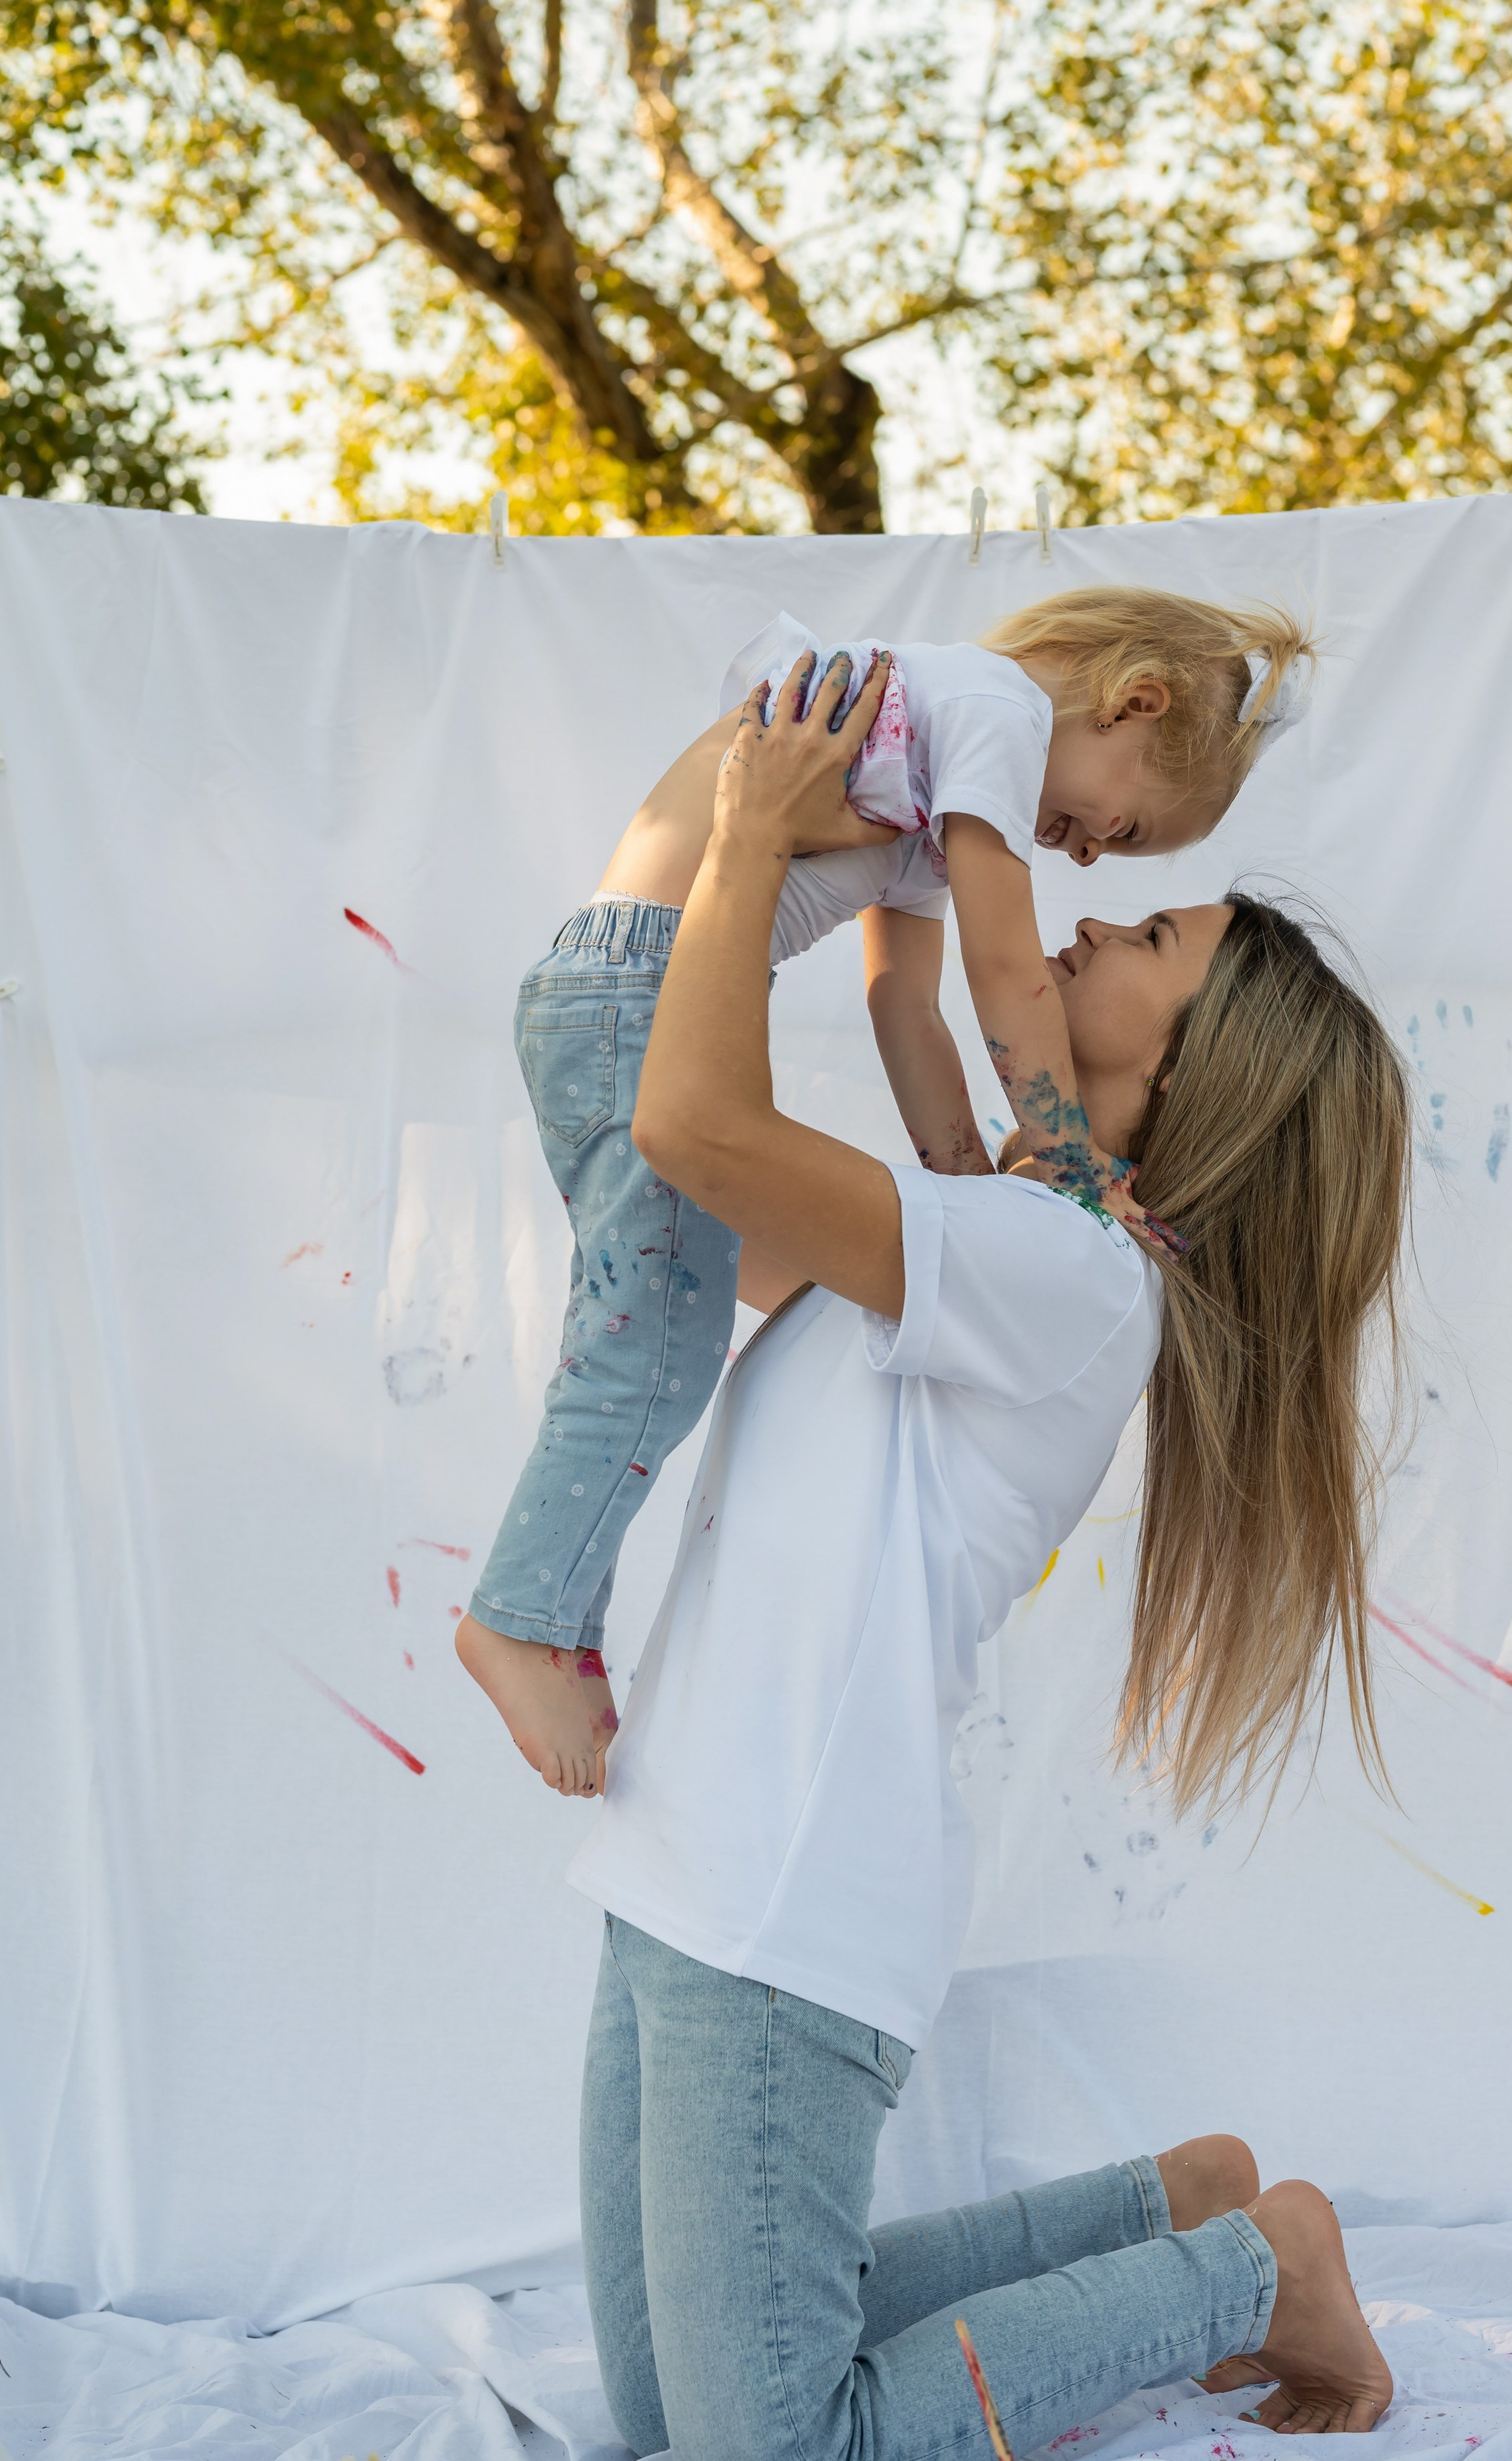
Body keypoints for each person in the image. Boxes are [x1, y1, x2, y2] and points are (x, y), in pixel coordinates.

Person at [562, 650, 1410, 2461]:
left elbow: (697, 1133)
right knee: (668, 2407)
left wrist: (742, 849)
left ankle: (1255, 2272)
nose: (1091, 931)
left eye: (1151, 938)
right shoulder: (1006, 1231)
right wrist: (803, 903)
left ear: (1191, 1075)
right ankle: (1171, 2206)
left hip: (781, 1897)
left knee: (779, 2452)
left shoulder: (1081, 1275)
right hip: (689, 1852)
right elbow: (713, 1198)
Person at [456, 590, 1313, 1793]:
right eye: (1119, 836)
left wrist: (968, 1170)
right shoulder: (996, 715)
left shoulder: (931, 754)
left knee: (657, 1329)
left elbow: (903, 1007)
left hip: (620, 982)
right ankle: (522, 1613)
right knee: (647, 1345)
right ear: (1134, 702)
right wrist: (1066, 1157)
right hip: (636, 992)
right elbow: (1000, 965)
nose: (1078, 860)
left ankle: (557, 1609)